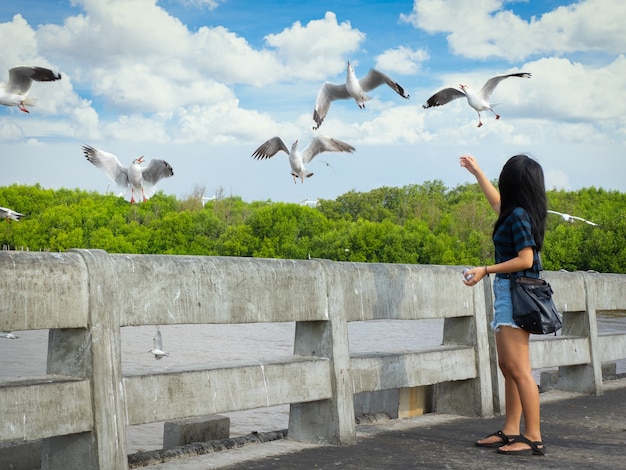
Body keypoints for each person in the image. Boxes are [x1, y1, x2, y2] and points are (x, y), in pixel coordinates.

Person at [460, 153, 547, 456]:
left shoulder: (520, 215)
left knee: (519, 369)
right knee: (507, 366)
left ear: (513, 181)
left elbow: (526, 259)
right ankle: (511, 429)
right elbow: (496, 203)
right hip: (506, 291)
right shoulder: (513, 212)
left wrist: (485, 270)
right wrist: (477, 172)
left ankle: (533, 435)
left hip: (515, 291)